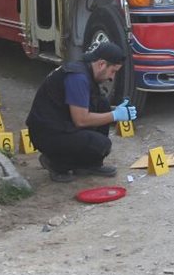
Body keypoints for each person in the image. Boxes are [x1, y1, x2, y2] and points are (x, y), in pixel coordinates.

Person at [26, 42, 137, 183]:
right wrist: (115, 115)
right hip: (46, 133)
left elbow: (90, 106)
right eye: (113, 71)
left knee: (102, 104)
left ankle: (89, 165)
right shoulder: (78, 78)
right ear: (102, 64)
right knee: (101, 145)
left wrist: (117, 110)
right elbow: (81, 120)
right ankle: (56, 163)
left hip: (59, 123)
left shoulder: (85, 71)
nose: (112, 77)